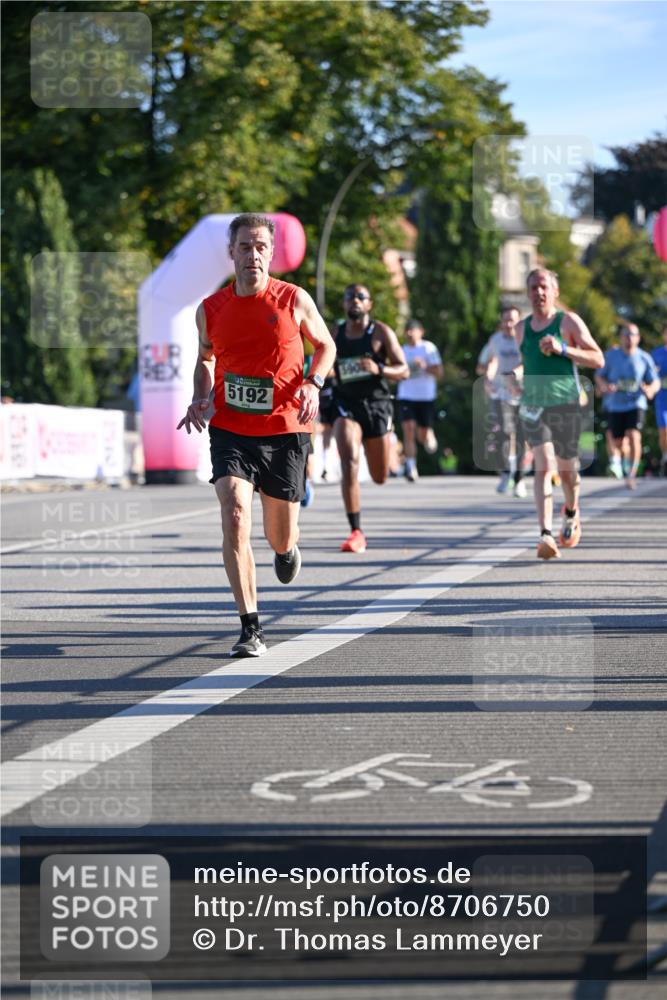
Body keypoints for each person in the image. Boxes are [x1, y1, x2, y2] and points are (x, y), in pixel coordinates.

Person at [177, 213, 336, 657]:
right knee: (234, 513)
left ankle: (287, 550)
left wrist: (313, 383)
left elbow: (326, 346)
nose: (253, 255)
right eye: (244, 247)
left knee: (279, 536)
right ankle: (250, 627)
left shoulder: (293, 300)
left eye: (261, 247)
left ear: (271, 252)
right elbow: (206, 360)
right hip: (231, 427)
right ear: (231, 253)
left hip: (285, 429)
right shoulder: (210, 310)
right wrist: (199, 396)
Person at [513, 269, 604, 560]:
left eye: (543, 287)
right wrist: (512, 376)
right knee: (543, 465)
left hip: (565, 404)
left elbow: (598, 358)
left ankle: (571, 510)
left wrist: (563, 348)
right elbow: (525, 363)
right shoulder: (521, 328)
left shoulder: (568, 322)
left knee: (568, 471)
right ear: (527, 293)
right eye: (533, 288)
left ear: (555, 292)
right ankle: (545, 534)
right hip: (534, 405)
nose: (538, 293)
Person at [331, 283, 409, 552]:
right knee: (350, 458)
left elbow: (404, 369)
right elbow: (322, 360)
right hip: (346, 404)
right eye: (349, 296)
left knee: (379, 476)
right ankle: (356, 530)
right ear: (344, 303)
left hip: (376, 405)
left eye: (361, 296)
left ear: (369, 304)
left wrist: (380, 368)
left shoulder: (380, 333)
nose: (355, 300)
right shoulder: (335, 332)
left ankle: (389, 446)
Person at [595, 323, 660, 489]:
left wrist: (650, 389)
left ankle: (631, 473)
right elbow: (599, 376)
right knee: (618, 442)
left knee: (634, 435)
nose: (629, 338)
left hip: (636, 403)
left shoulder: (644, 358)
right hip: (615, 405)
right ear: (621, 337)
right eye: (626, 335)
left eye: (632, 335)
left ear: (638, 338)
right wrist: (604, 386)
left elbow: (655, 381)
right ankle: (623, 461)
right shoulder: (611, 356)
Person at [482, 306, 527, 498]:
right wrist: (488, 379)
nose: (510, 324)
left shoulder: (525, 339)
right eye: (506, 320)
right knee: (505, 433)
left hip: (524, 393)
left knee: (523, 437)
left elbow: (528, 362)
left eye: (513, 320)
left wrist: (515, 374)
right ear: (501, 322)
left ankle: (519, 479)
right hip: (502, 394)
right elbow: (490, 361)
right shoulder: (496, 340)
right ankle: (506, 472)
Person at [397, 319, 443, 482]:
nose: (410, 333)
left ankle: (428, 434)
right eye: (407, 330)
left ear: (420, 332)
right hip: (406, 396)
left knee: (422, 435)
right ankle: (411, 467)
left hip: (425, 397)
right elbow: (394, 374)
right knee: (408, 429)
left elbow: (439, 372)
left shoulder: (428, 348)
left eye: (413, 330)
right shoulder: (401, 350)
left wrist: (424, 365)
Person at [651, 325, 667, 477]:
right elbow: (649, 373)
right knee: (664, 430)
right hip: (662, 396)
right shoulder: (656, 353)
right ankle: (665, 455)